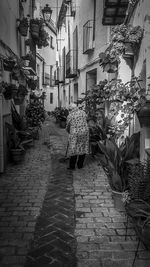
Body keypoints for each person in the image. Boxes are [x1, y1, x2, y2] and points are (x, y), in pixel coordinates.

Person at [66, 103, 89, 170]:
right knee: (82, 147)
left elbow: (67, 126)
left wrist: (68, 132)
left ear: (72, 109)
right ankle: (80, 165)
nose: (69, 111)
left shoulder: (70, 115)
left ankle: (72, 166)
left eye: (69, 109)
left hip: (75, 133)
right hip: (84, 132)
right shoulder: (83, 112)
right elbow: (86, 120)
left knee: (74, 148)